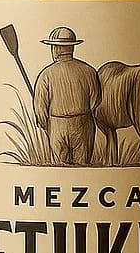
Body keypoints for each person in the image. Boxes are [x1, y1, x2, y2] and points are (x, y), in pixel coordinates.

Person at [33, 26, 102, 166]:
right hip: (83, 125)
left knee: (60, 171)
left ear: (56, 49)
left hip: (57, 127)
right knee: (82, 170)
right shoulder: (89, 71)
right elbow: (95, 101)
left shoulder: (45, 75)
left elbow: (40, 109)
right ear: (72, 47)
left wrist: (47, 125)